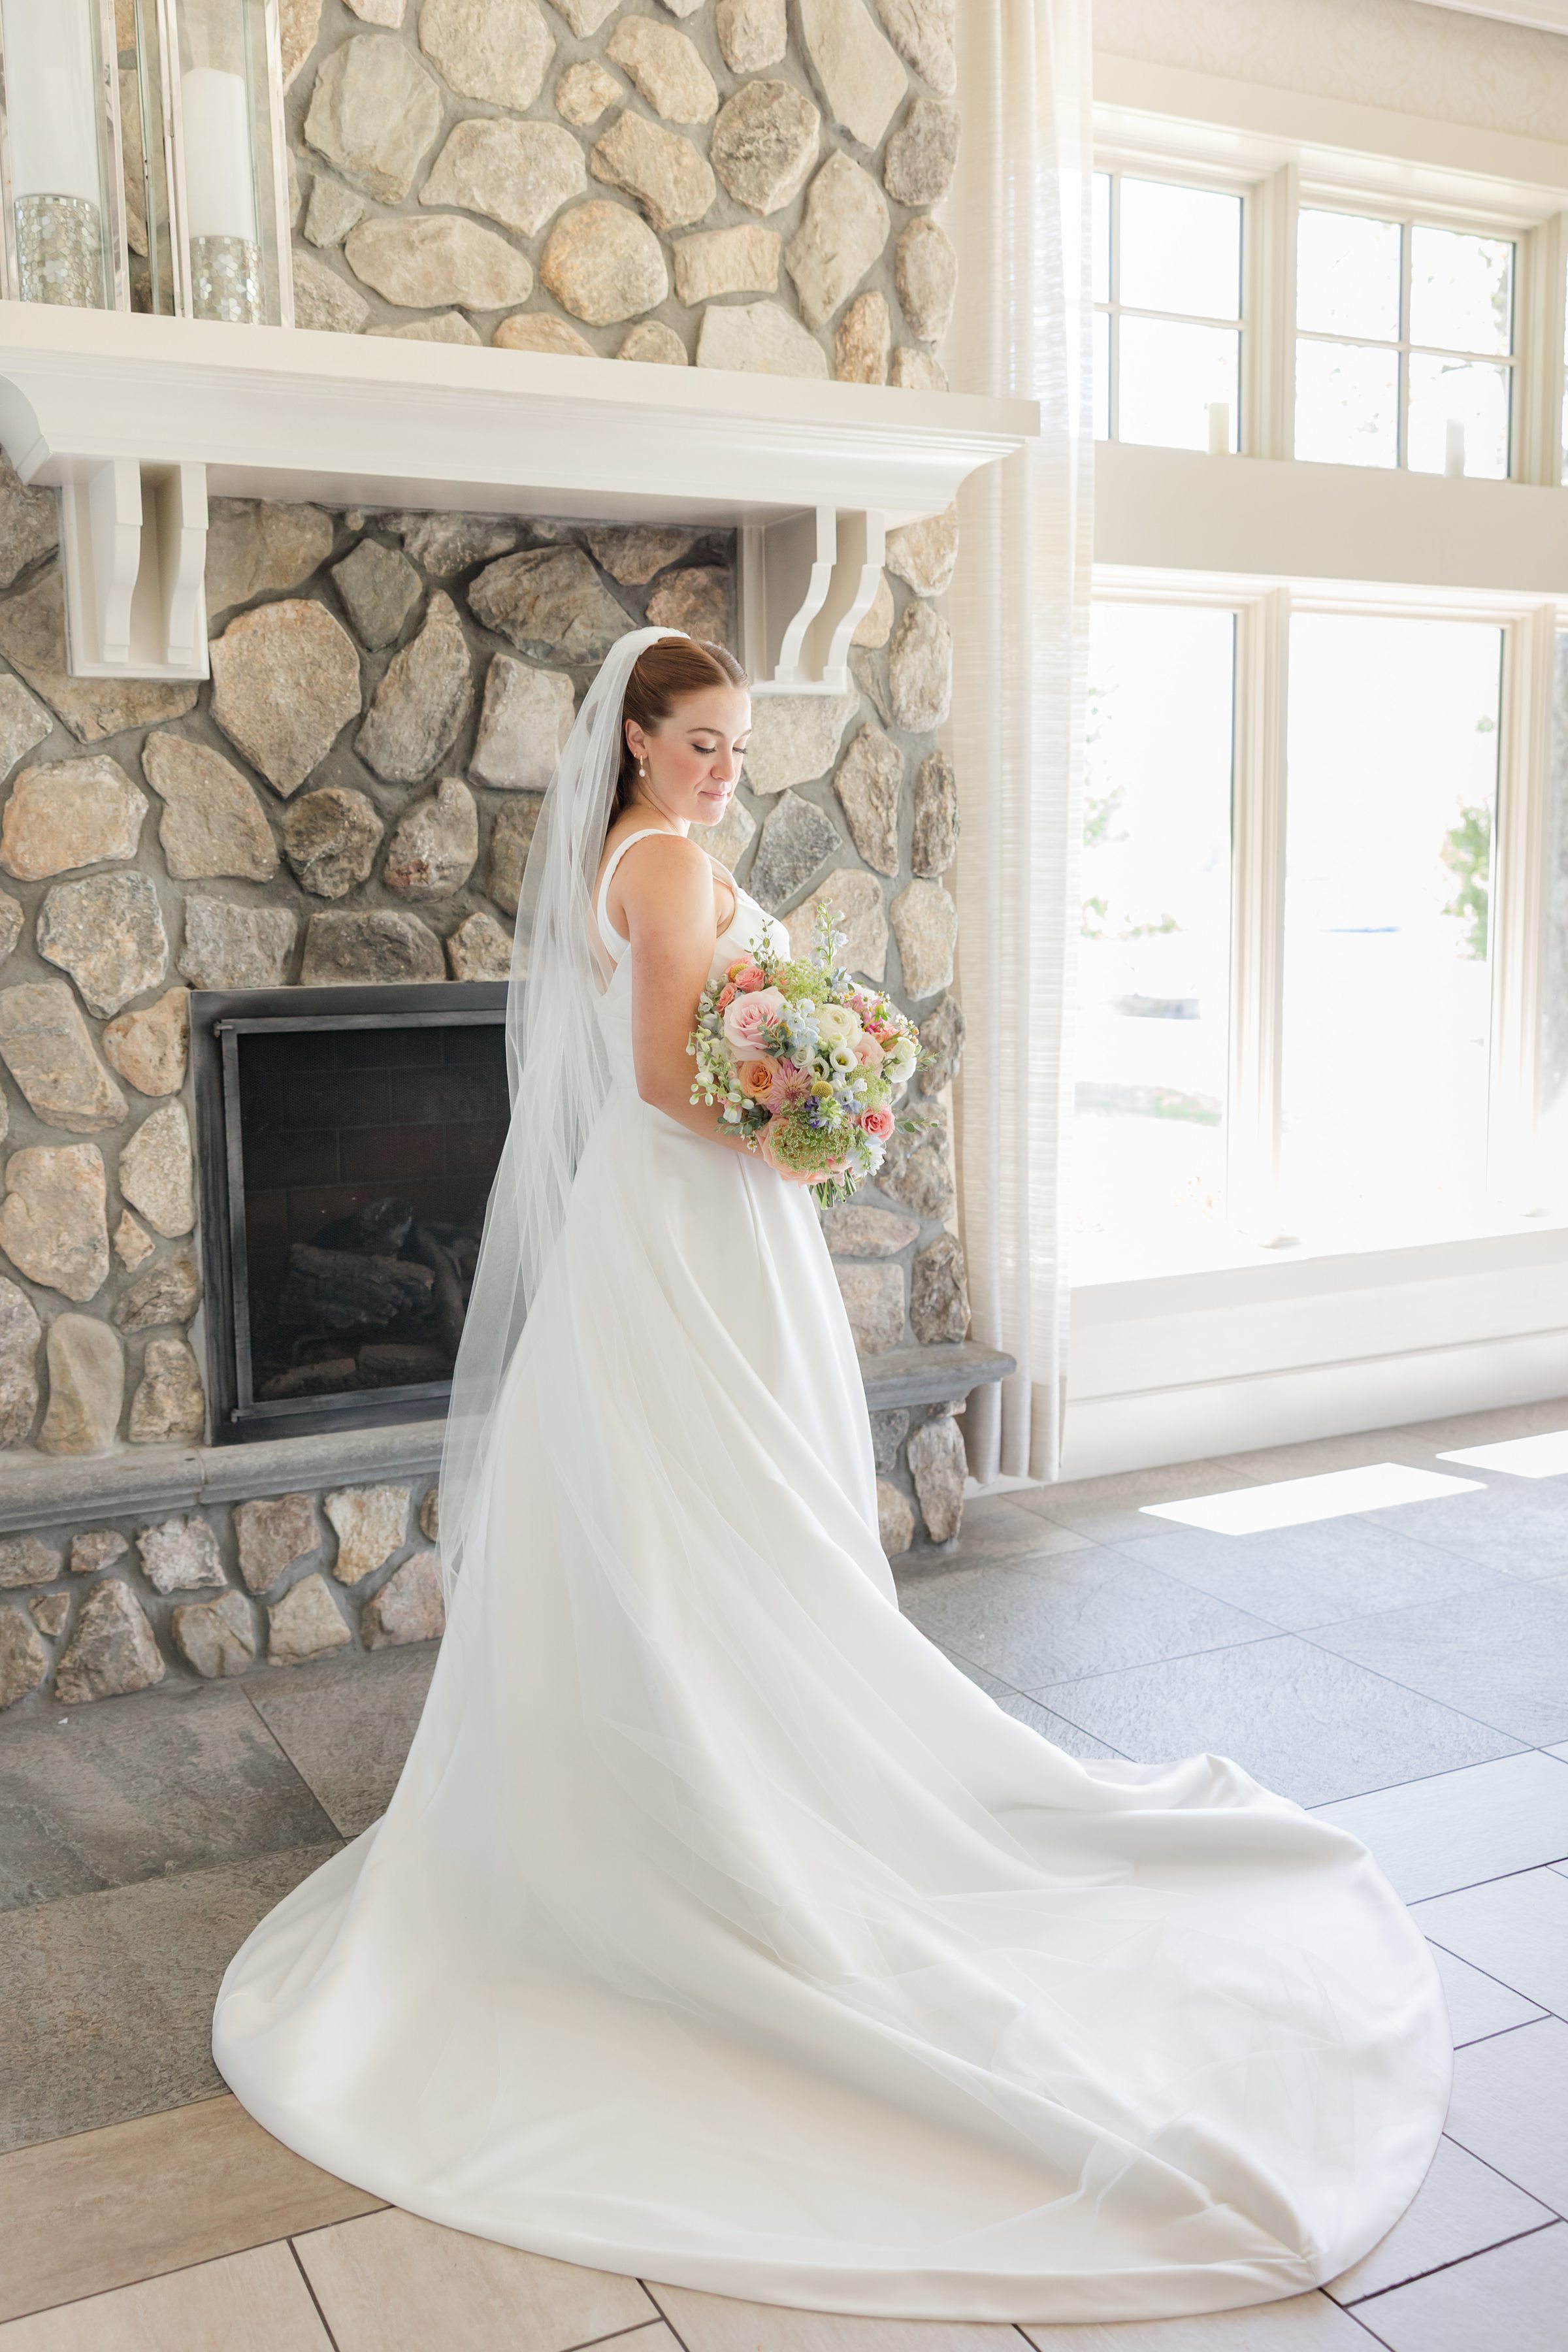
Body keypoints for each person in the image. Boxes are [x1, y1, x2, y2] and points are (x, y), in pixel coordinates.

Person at [214, 627, 1450, 2326]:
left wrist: (816, 1100)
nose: (728, 767)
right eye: (704, 741)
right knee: (693, 1524)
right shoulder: (654, 869)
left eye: (740, 743)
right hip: (684, 1232)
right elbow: (664, 1082)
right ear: (638, 744)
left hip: (725, 1231)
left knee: (742, 1529)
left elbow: (720, 1046)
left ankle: (749, 1772)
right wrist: (811, 1119)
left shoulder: (680, 853)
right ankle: (701, 1822)